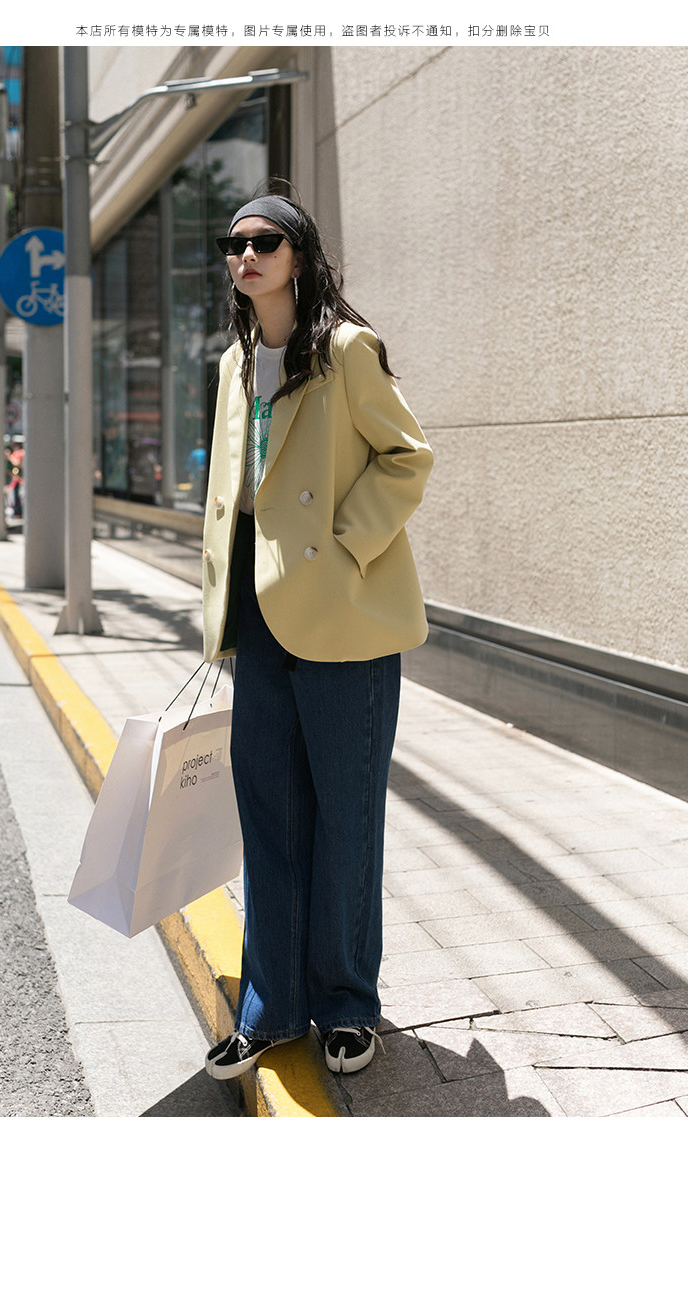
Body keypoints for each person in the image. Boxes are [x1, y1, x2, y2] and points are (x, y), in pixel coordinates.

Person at [201, 193, 432, 1084]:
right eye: (234, 245)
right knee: (269, 817)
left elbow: (407, 456)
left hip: (343, 615)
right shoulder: (234, 361)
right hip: (260, 618)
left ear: (299, 254)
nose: (246, 256)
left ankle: (345, 1004)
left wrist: (346, 544)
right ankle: (270, 1008)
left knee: (345, 817)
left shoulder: (344, 349)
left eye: (265, 242)